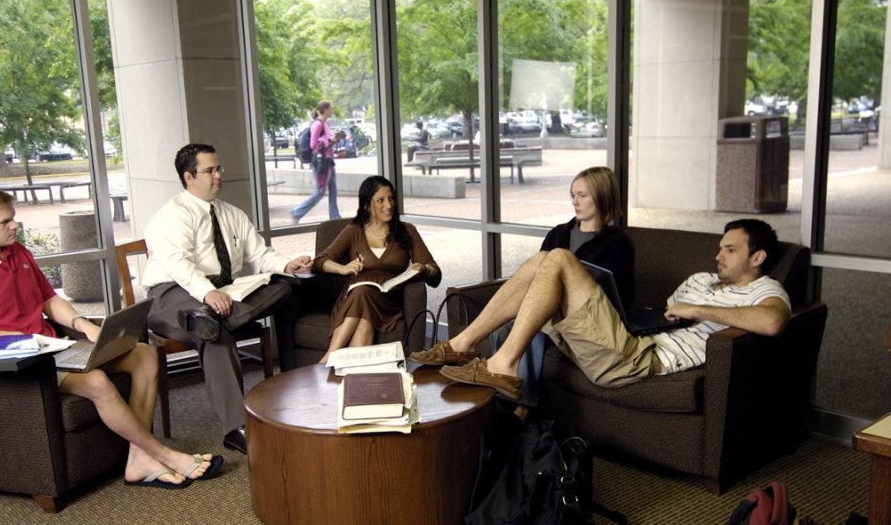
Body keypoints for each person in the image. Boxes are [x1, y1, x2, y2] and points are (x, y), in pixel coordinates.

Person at [0, 184, 220, 489]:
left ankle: (138, 460)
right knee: (96, 381)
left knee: (142, 354)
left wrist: (82, 324)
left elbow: (48, 299)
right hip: (19, 366)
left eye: (13, 218)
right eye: (4, 222)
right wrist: (4, 337)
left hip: (53, 351)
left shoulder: (16, 251)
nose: (15, 225)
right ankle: (162, 454)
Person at [415, 219, 791, 398]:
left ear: (757, 257)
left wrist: (699, 310)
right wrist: (674, 310)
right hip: (632, 337)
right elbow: (667, 315)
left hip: (639, 359)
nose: (718, 255)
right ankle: (462, 344)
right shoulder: (702, 279)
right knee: (543, 259)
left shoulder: (764, 290)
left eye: (730, 250)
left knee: (560, 258)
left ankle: (502, 366)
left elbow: (773, 322)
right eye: (720, 247)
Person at [412, 167, 634, 418]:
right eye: (572, 195)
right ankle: (468, 349)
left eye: (582, 195)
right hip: (547, 311)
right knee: (523, 300)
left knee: (529, 326)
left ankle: (519, 410)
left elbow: (617, 303)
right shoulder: (559, 233)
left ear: (602, 196)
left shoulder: (618, 244)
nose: (574, 202)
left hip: (582, 321)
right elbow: (537, 285)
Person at [142, 144, 312, 454]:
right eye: (210, 170)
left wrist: (287, 264)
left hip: (226, 295)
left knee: (285, 285)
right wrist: (207, 293)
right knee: (214, 333)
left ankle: (209, 318)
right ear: (189, 176)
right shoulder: (171, 216)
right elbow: (178, 264)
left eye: (219, 169)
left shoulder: (232, 213)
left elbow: (259, 254)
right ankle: (236, 427)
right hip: (173, 293)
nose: (219, 175)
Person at [314, 175, 441, 363]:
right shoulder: (353, 231)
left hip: (388, 299)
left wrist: (422, 268)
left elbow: (435, 273)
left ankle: (328, 359)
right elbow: (321, 260)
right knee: (364, 316)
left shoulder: (407, 231)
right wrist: (342, 268)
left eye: (390, 198)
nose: (388, 205)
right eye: (380, 200)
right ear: (366, 205)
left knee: (362, 295)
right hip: (354, 298)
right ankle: (351, 374)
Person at [291, 100, 339, 223]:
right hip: (320, 162)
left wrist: (333, 141)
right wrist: (328, 140)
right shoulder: (317, 124)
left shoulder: (325, 124)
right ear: (325, 110)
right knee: (320, 191)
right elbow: (313, 144)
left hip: (328, 160)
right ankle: (297, 212)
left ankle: (335, 218)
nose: (332, 110)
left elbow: (325, 141)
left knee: (333, 189)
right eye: (331, 108)